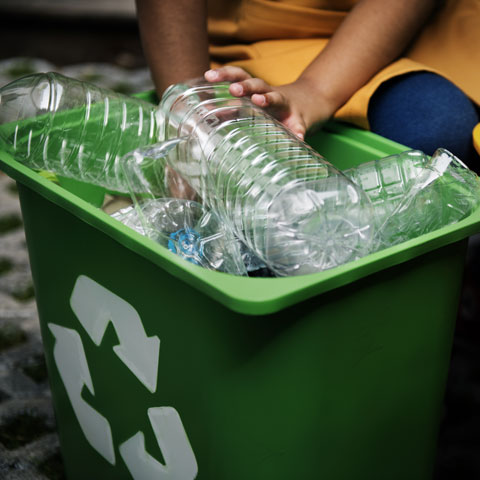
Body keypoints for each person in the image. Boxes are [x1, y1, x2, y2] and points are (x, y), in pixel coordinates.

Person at [135, 0, 480, 169]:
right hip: (256, 30)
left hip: (397, 24)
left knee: (436, 133)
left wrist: (316, 91)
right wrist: (188, 105)